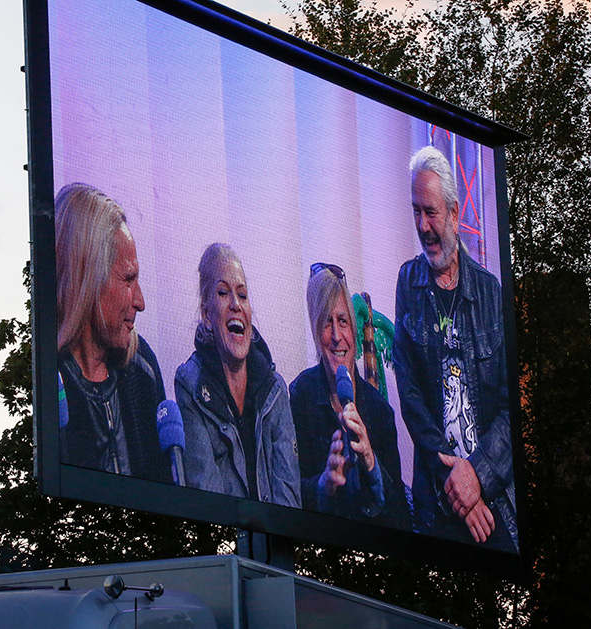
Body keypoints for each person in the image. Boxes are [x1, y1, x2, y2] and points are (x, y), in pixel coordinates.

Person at [393, 146, 517, 551]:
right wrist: (454, 478)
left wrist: (476, 475)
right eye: (416, 211)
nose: (423, 225)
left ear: (454, 213)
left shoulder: (489, 291)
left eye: (430, 212)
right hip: (435, 499)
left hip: (492, 494)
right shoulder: (407, 283)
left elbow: (508, 406)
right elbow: (410, 397)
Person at [55, 183, 169, 483]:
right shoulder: (46, 378)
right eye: (128, 279)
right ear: (87, 277)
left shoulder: (142, 367)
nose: (140, 302)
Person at [174, 243, 301, 506]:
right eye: (223, 293)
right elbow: (209, 503)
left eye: (242, 295)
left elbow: (290, 499)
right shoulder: (190, 388)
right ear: (207, 315)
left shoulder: (276, 391)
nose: (236, 305)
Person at [289, 263, 409, 529]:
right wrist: (324, 485)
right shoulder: (300, 396)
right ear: (315, 332)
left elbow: (401, 515)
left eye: (342, 321)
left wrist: (370, 462)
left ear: (354, 330)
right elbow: (288, 493)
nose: (336, 336)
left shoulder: (379, 410)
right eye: (325, 323)